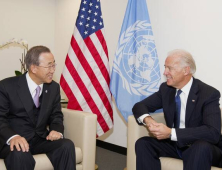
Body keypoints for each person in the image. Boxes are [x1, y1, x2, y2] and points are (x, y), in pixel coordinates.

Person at [133, 49, 222, 170]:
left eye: (169, 68)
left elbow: (213, 132)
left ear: (186, 70)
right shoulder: (166, 89)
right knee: (143, 143)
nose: (165, 72)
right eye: (165, 67)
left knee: (200, 147)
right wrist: (149, 120)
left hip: (201, 147)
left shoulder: (208, 93)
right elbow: (139, 106)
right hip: (175, 145)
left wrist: (170, 133)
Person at [0, 46, 76, 170]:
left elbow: (56, 115)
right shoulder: (6, 87)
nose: (53, 70)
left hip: (40, 138)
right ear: (34, 68)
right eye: (49, 66)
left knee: (66, 145)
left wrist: (56, 130)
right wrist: (13, 137)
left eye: (54, 65)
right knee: (20, 154)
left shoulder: (53, 88)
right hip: (15, 140)